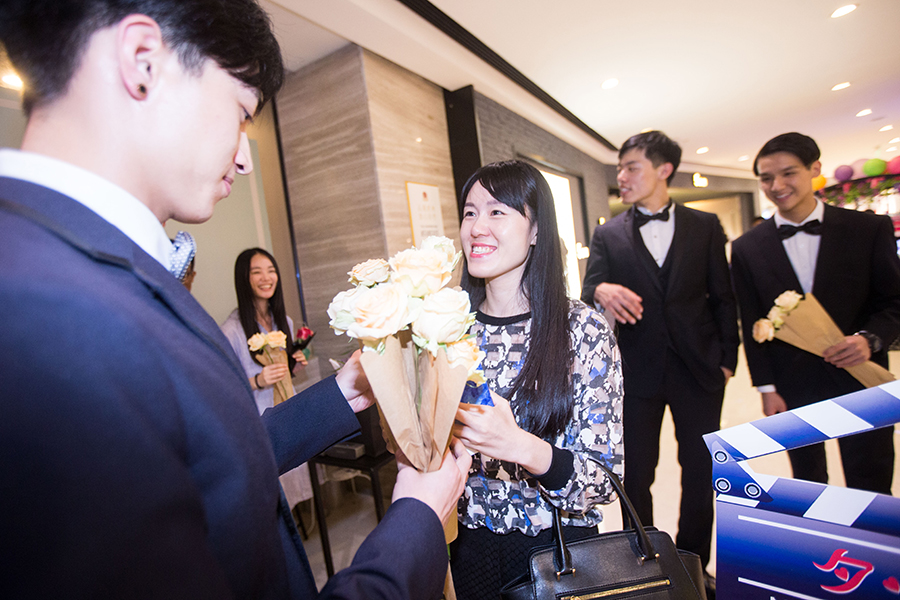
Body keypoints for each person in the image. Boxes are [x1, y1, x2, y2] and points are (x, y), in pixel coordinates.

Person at [0, 1, 471, 598]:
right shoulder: (45, 317)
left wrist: (345, 393)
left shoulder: (70, 263)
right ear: (142, 61)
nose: (247, 158)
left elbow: (204, 464)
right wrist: (417, 524)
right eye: (241, 111)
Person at [449, 160, 624, 599]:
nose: (477, 227)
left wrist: (521, 447)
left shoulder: (582, 330)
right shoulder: (448, 329)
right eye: (470, 212)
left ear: (536, 230)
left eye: (497, 211)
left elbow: (604, 480)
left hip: (558, 553)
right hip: (467, 548)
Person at [580, 131, 739, 588]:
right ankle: (645, 562)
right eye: (619, 169)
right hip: (636, 373)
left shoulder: (705, 226)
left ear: (663, 169)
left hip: (700, 369)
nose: (622, 177)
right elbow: (590, 290)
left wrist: (727, 360)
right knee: (636, 474)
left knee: (700, 472)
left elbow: (723, 298)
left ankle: (693, 563)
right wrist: (599, 289)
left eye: (631, 167)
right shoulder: (607, 233)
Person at [731, 132, 900, 494]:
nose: (777, 185)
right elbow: (751, 319)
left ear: (815, 170)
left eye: (788, 173)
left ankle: (874, 549)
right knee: (808, 484)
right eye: (765, 178)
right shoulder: (747, 248)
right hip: (793, 382)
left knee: (871, 478)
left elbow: (894, 302)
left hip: (860, 374)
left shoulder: (868, 229)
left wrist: (869, 340)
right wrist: (766, 386)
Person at [222, 247, 313, 510]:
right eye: (257, 272)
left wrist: (293, 366)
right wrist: (259, 380)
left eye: (271, 271)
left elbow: (284, 372)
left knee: (290, 485)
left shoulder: (282, 320)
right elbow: (226, 386)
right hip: (259, 421)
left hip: (286, 411)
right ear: (244, 279)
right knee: (271, 495)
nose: (266, 278)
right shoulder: (232, 330)